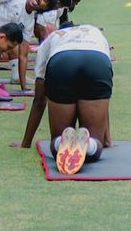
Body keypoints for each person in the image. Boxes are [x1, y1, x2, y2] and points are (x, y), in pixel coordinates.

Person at [16, 22, 114, 175]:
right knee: (96, 143)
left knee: (58, 145)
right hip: (96, 61)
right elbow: (104, 97)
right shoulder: (95, 32)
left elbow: (40, 100)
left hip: (62, 62)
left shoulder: (52, 38)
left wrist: (26, 143)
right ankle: (90, 145)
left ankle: (60, 141)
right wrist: (106, 140)